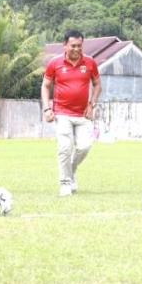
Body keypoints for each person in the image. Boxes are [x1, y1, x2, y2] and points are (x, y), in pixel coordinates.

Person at [41, 30, 101, 197]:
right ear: (65, 45)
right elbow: (45, 86)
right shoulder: (55, 63)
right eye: (73, 45)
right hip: (62, 113)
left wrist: (92, 104)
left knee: (84, 147)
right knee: (65, 148)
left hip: (83, 115)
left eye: (79, 46)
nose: (76, 49)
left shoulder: (90, 63)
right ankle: (65, 182)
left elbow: (97, 85)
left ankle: (71, 171)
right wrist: (47, 108)